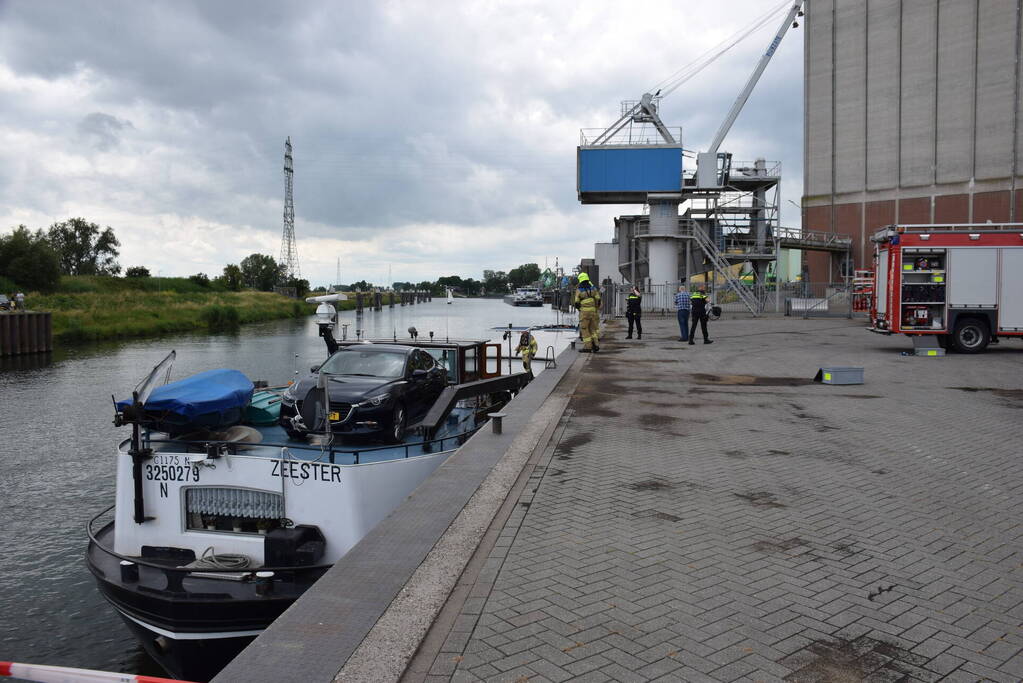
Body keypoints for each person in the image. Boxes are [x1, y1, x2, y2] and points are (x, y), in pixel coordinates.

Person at [573, 272, 601, 352]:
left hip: (584, 312)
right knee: (593, 329)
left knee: (584, 329)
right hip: (593, 311)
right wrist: (595, 308)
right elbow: (598, 300)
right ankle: (596, 345)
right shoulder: (593, 288)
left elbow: (576, 303)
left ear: (580, 280)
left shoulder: (579, 290)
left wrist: (580, 309)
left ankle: (588, 347)